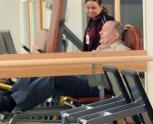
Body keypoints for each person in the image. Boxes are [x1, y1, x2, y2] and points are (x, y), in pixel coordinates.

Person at [0, 21, 131, 113]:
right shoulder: (102, 48)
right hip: (84, 78)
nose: (100, 33)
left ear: (115, 36)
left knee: (56, 77)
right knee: (41, 68)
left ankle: (12, 102)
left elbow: (116, 79)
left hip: (96, 86)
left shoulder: (121, 50)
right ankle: (9, 95)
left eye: (104, 31)